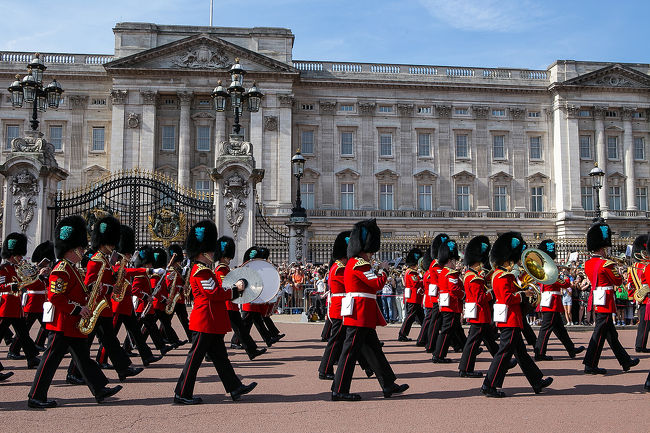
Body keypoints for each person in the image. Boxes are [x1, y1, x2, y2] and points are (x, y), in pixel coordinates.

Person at [27, 215, 122, 408]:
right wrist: (78, 309)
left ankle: (100, 389)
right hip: (62, 323)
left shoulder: (73, 269)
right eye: (80, 248)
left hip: (73, 323)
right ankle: (36, 396)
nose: (83, 250)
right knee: (50, 361)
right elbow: (56, 297)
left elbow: (79, 292)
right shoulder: (61, 269)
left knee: (84, 358)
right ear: (71, 249)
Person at [174, 220, 256, 405]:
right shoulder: (200, 271)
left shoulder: (205, 270)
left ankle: (234, 387)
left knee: (221, 358)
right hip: (205, 321)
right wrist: (236, 289)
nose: (214, 253)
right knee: (194, 360)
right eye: (211, 251)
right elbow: (215, 293)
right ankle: (182, 393)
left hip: (211, 321)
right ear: (203, 252)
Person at [331, 219, 408, 401]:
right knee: (349, 353)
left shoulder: (356, 263)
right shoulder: (359, 264)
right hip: (360, 314)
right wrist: (384, 271)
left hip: (363, 313)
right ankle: (339, 389)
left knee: (374, 351)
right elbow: (377, 284)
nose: (372, 255)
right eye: (371, 252)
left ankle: (388, 384)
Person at [67, 216, 143, 382]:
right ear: (104, 242)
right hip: (95, 307)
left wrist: (116, 278)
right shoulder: (96, 261)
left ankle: (123, 368)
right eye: (111, 243)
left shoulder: (106, 261)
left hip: (103, 308)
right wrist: (110, 287)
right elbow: (90, 284)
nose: (114, 246)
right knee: (86, 342)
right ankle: (73, 372)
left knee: (109, 339)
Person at [481, 231, 553, 398]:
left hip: (512, 318)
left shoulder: (502, 275)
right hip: (509, 319)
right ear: (508, 259)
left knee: (521, 353)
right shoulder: (502, 276)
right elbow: (506, 298)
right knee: (503, 353)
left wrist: (522, 290)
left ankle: (536, 381)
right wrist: (523, 295)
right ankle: (489, 385)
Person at [96, 225, 162, 369]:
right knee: (110, 336)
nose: (129, 256)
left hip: (126, 305)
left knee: (137, 333)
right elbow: (130, 272)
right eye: (127, 253)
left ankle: (147, 356)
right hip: (117, 305)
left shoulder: (124, 263)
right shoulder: (116, 264)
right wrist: (149, 270)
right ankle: (101, 359)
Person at [582, 222, 639, 375]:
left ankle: (625, 361)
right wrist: (619, 271)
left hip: (596, 298)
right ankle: (590, 364)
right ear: (602, 248)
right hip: (605, 300)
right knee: (599, 333)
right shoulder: (606, 264)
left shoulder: (588, 263)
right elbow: (618, 282)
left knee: (611, 335)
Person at [318, 231, 373, 381]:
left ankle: (368, 366)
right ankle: (325, 369)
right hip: (341, 307)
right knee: (336, 341)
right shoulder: (340, 268)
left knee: (350, 339)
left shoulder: (338, 266)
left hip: (343, 306)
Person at [214, 235, 266, 361]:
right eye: (227, 257)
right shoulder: (221, 270)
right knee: (222, 332)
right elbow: (225, 286)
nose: (229, 260)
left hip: (231, 304)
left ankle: (252, 351)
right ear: (223, 257)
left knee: (239, 329)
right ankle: (210, 353)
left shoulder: (225, 269)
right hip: (227, 305)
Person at [533, 239, 584, 361]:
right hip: (551, 301)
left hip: (551, 299)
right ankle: (539, 352)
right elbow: (564, 283)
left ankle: (571, 349)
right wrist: (566, 277)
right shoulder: (549, 269)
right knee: (546, 328)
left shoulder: (545, 268)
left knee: (560, 329)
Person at [458, 236, 499, 377]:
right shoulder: (473, 278)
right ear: (477, 263)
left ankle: (501, 360)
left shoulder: (473, 275)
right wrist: (491, 293)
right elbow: (479, 298)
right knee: (472, 343)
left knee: (488, 340)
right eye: (481, 263)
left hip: (481, 314)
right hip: (479, 313)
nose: (482, 265)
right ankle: (466, 369)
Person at [0, 232, 41, 369]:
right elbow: (1, 287)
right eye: (19, 255)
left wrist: (36, 276)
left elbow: (28, 283)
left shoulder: (17, 269)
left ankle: (32, 358)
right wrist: (11, 286)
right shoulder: (3, 269)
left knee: (23, 334)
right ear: (12, 255)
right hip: (5, 307)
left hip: (16, 308)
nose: (21, 257)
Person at [8, 240, 54, 357]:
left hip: (41, 304)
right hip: (32, 303)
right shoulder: (31, 270)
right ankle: (13, 350)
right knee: (23, 331)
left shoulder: (45, 270)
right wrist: (40, 276)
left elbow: (46, 285)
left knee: (48, 327)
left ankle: (42, 344)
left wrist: (47, 276)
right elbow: (29, 284)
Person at [432, 240, 466, 363]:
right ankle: (439, 355)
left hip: (449, 305)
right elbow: (454, 290)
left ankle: (464, 347)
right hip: (452, 306)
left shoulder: (444, 272)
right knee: (446, 331)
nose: (455, 263)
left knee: (455, 329)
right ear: (450, 260)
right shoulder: (450, 274)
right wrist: (464, 295)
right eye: (454, 260)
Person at [397, 248, 424, 342]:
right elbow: (416, 283)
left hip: (416, 298)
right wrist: (423, 279)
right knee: (409, 317)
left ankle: (426, 333)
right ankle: (402, 334)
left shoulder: (411, 271)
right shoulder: (411, 272)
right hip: (413, 298)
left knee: (422, 319)